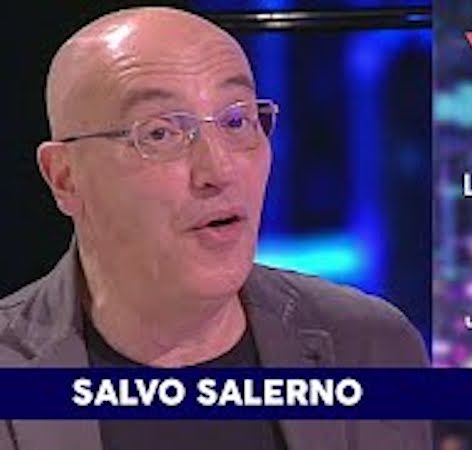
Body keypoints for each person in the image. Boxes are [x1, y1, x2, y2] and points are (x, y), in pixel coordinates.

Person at [0, 6, 429, 450]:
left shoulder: (372, 347)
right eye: (160, 133)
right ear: (65, 178)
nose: (219, 170)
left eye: (236, 121)